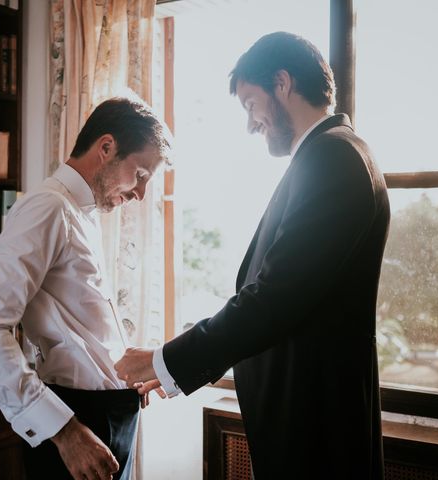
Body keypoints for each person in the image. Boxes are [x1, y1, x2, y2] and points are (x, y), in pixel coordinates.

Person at [114, 31, 389, 479]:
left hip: (316, 423)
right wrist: (179, 367)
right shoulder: (327, 154)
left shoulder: (334, 158)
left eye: (249, 104)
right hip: (308, 414)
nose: (250, 123)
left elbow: (274, 299)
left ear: (282, 83)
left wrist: (165, 359)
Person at [0, 96, 171, 480]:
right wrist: (63, 431)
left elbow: (77, 324)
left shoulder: (80, 211)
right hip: (79, 423)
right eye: (140, 175)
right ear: (106, 148)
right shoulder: (47, 209)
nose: (140, 194)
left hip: (109, 414)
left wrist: (120, 375)